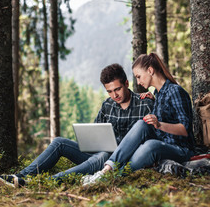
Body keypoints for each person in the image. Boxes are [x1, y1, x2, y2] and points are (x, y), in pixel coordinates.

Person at [0, 63, 154, 188]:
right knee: (59, 142)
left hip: (121, 162)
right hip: (99, 157)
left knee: (103, 155)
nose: (114, 95)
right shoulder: (107, 105)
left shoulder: (145, 104)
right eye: (109, 91)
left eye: (117, 89)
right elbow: (96, 134)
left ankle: (44, 182)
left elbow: (151, 137)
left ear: (126, 84)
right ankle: (18, 177)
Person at [82, 53, 195, 186]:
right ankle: (105, 171)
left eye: (139, 76)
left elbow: (185, 129)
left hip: (181, 149)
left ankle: (112, 178)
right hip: (162, 143)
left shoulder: (175, 91)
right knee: (142, 124)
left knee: (150, 145)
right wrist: (153, 100)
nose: (138, 82)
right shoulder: (158, 94)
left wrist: (159, 124)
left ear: (150, 71)